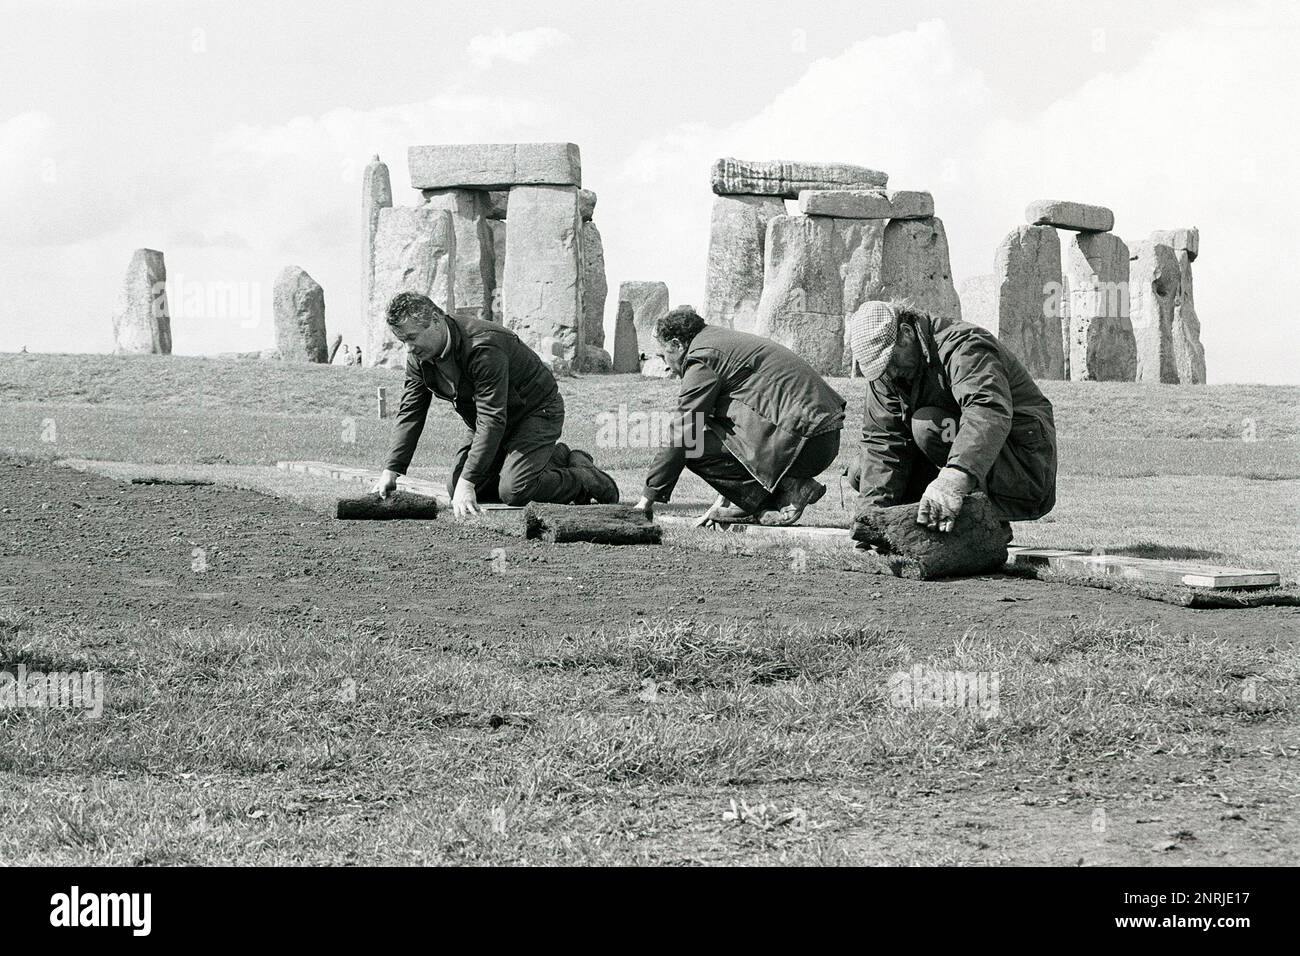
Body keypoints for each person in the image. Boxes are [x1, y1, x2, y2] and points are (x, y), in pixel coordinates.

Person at [372, 292, 619, 516]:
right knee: (455, 486)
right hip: (489, 420)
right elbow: (411, 412)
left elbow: (492, 418)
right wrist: (391, 470)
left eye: (412, 337)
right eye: (402, 340)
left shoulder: (483, 345)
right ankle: (555, 458)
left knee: (515, 490)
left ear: (436, 320)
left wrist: (468, 481)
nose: (408, 348)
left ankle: (585, 478)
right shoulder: (419, 357)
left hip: (535, 412)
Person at [846, 300, 1057, 533]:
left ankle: (984, 523)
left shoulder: (964, 346)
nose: (890, 373)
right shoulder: (888, 374)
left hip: (1020, 465)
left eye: (890, 361)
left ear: (906, 334)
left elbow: (986, 412)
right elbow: (881, 442)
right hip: (964, 460)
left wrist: (953, 480)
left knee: (928, 426)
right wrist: (871, 522)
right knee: (861, 469)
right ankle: (932, 521)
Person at [633, 307, 846, 526]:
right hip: (820, 438)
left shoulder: (703, 357)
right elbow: (733, 433)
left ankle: (779, 498)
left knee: (693, 446)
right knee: (704, 436)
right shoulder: (717, 341)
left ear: (677, 345)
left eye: (663, 355)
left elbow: (684, 432)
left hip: (804, 444)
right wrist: (727, 500)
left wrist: (645, 503)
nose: (666, 366)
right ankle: (772, 495)